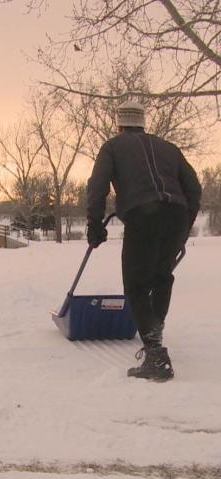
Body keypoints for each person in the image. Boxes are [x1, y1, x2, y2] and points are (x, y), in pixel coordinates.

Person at [86, 101, 202, 382]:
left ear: (120, 124)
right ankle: (155, 339)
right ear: (143, 123)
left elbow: (98, 185)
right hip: (176, 213)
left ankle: (155, 354)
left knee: (136, 285)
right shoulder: (168, 147)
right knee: (161, 277)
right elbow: (194, 188)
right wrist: (184, 227)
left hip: (143, 215)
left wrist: (94, 223)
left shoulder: (113, 147)